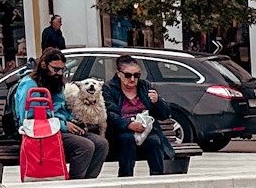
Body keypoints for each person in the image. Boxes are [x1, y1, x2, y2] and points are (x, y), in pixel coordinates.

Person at [12, 51, 106, 180]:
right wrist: (64, 126)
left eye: (62, 69)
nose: (60, 73)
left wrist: (73, 120)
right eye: (56, 69)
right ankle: (75, 185)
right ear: (44, 65)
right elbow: (28, 118)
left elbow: (60, 108)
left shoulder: (56, 81)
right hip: (42, 133)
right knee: (85, 146)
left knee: (101, 144)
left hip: (60, 128)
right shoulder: (30, 84)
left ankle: (87, 181)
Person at [103, 56, 173, 178]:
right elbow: (110, 114)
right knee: (126, 140)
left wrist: (157, 102)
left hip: (145, 130)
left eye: (136, 75)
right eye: (128, 75)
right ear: (119, 74)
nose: (132, 79)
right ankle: (126, 178)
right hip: (121, 131)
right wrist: (128, 124)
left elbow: (164, 114)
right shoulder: (109, 88)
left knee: (154, 141)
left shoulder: (145, 86)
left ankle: (158, 178)